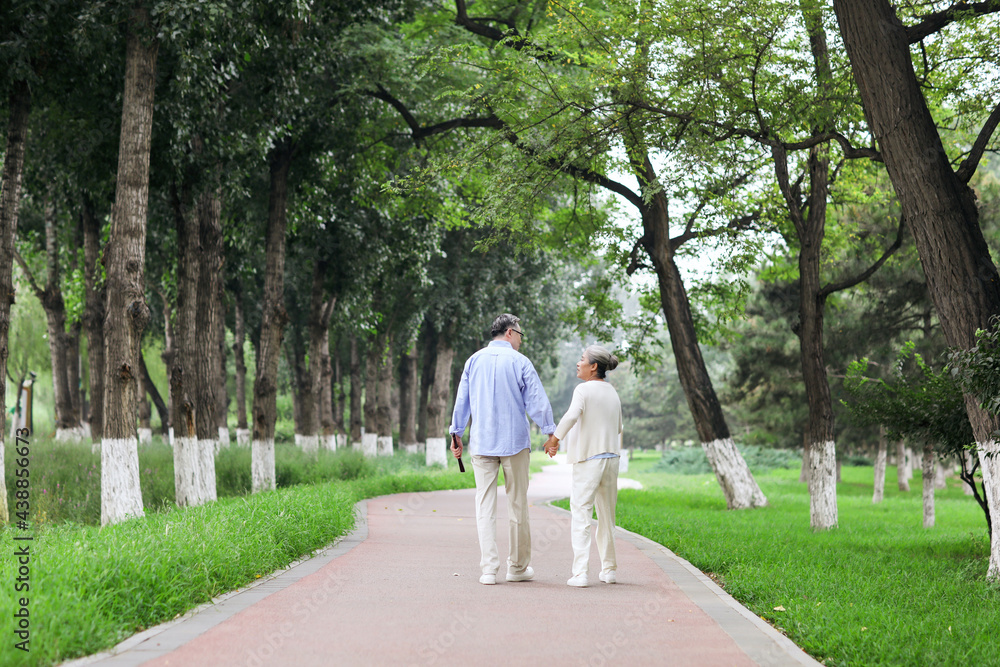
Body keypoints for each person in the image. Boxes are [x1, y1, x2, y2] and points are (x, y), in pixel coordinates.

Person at [449, 313, 556, 585]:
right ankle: (517, 568)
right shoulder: (520, 362)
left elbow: (463, 400)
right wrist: (550, 432)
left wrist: (456, 433)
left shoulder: (473, 360)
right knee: (518, 504)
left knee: (484, 505)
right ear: (510, 332)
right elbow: (536, 400)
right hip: (514, 444)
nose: (521, 340)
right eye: (520, 334)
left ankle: (488, 570)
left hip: (482, 442)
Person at [544, 345, 622, 587]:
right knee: (607, 516)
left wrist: (554, 439)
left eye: (582, 359)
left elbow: (571, 415)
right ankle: (609, 570)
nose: (578, 363)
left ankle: (580, 573)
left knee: (581, 512)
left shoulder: (583, 389)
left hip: (589, 459)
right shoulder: (612, 392)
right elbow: (618, 427)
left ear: (594, 366)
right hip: (611, 458)